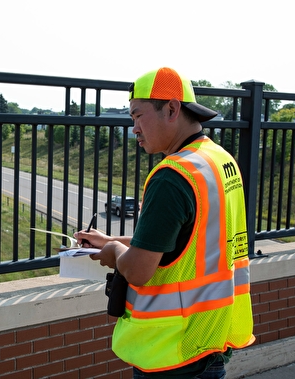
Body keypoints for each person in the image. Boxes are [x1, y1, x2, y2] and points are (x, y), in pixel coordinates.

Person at [75, 67, 255, 379]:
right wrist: (110, 241)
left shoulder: (172, 177)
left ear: (171, 109)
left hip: (170, 356)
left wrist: (115, 251)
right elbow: (188, 243)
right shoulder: (219, 160)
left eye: (137, 115)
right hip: (209, 342)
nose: (134, 128)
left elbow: (140, 271)